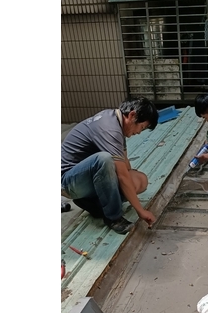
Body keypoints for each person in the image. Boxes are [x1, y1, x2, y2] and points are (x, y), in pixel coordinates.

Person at [61, 97, 159, 234]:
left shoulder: (117, 123)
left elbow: (125, 165)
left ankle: (93, 203)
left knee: (140, 180)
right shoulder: (108, 128)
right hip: (69, 181)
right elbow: (122, 176)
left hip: (87, 178)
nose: (138, 132)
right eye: (141, 127)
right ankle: (113, 218)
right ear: (132, 115)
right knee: (104, 159)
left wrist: (129, 182)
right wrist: (140, 211)